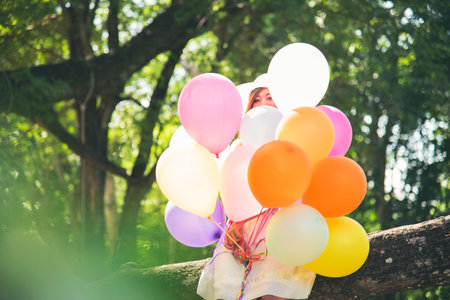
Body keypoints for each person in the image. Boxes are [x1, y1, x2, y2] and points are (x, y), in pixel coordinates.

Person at [197, 81, 316, 300]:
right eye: (256, 99)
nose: (262, 103)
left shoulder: (292, 141)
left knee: (273, 286)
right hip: (245, 227)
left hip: (282, 222)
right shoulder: (239, 147)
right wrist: (235, 229)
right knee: (228, 280)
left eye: (269, 97)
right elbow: (234, 191)